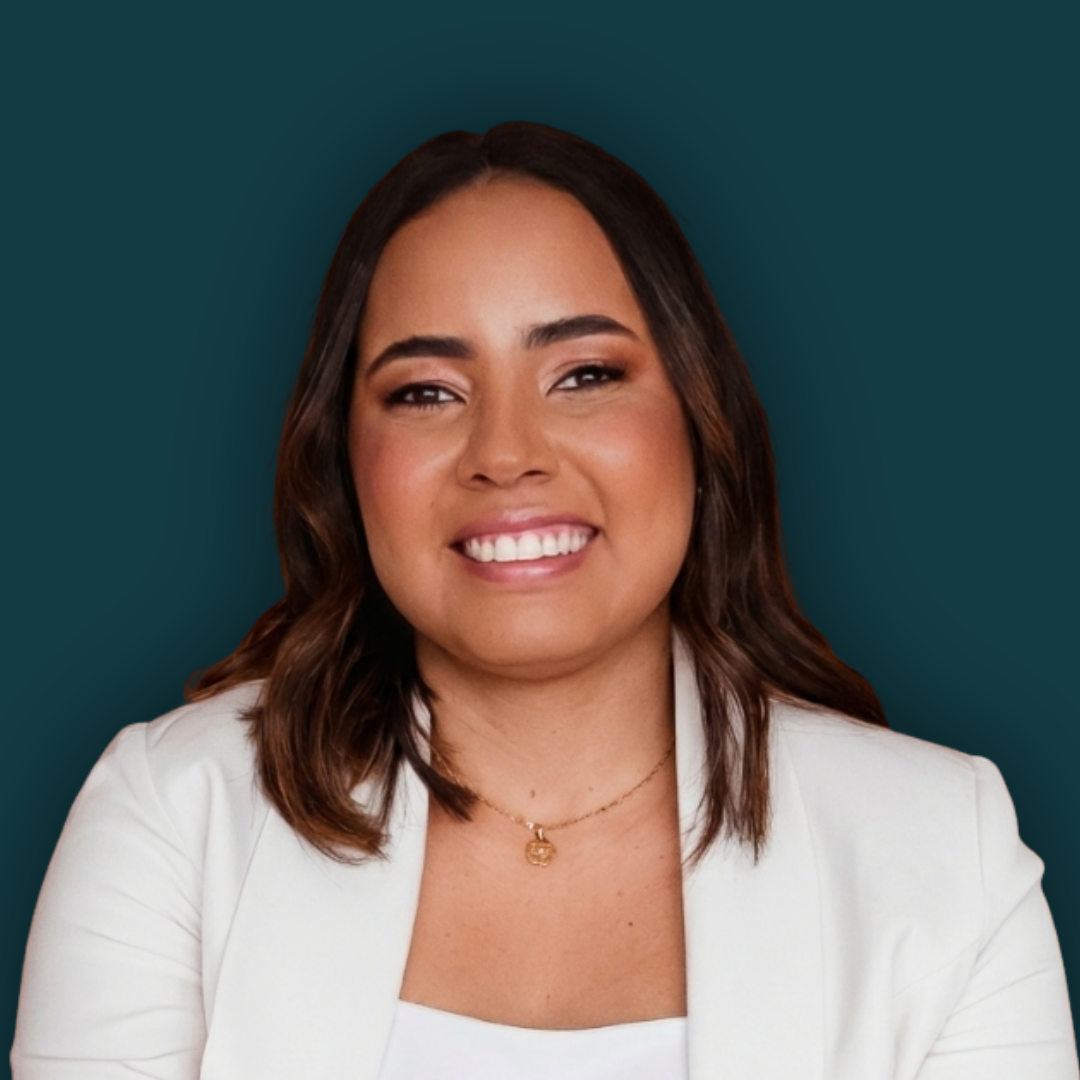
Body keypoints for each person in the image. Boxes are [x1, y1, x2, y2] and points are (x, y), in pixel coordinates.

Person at [11, 123, 1078, 1080]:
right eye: (426, 391)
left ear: (698, 418)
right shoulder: (170, 822)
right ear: (344, 460)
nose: (506, 452)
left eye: (584, 375)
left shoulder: (946, 852)